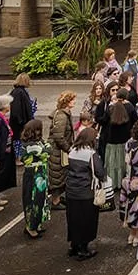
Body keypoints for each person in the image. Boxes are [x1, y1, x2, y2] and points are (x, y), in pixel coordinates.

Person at [64, 126, 106, 261]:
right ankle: (83, 249)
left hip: (71, 191)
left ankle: (74, 246)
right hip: (86, 192)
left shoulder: (72, 151)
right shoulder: (91, 154)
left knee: (73, 219)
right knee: (87, 220)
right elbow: (99, 172)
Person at [18, 119, 50, 239]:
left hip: (38, 174)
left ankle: (36, 224)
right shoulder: (32, 145)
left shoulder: (34, 142)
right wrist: (46, 147)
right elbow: (47, 152)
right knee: (33, 200)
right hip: (34, 175)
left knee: (40, 200)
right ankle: (31, 227)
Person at [47, 91, 76, 208]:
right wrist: (68, 148)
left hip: (58, 150)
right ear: (67, 102)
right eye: (73, 99)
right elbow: (58, 136)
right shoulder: (62, 116)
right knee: (57, 175)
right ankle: (55, 201)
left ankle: (57, 198)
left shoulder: (63, 114)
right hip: (57, 151)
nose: (74, 102)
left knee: (60, 174)